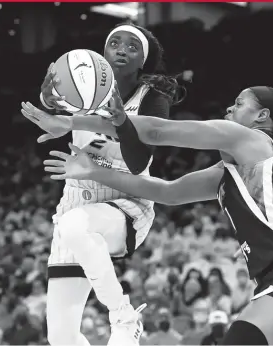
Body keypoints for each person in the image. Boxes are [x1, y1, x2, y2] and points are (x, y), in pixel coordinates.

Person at [36, 86, 273, 345]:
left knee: (240, 339)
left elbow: (158, 131)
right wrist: (94, 172)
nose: (229, 108)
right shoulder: (226, 174)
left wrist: (74, 122)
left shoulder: (253, 141)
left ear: (262, 117)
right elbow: (166, 192)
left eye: (239, 104)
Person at [21, 22, 181, 346]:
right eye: (115, 43)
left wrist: (121, 122)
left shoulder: (153, 98)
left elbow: (138, 162)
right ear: (104, 53)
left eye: (132, 47)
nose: (121, 50)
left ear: (142, 62)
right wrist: (48, 91)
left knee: (74, 226)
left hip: (126, 201)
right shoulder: (84, 89)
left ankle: (123, 315)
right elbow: (53, 104)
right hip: (77, 203)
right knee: (61, 339)